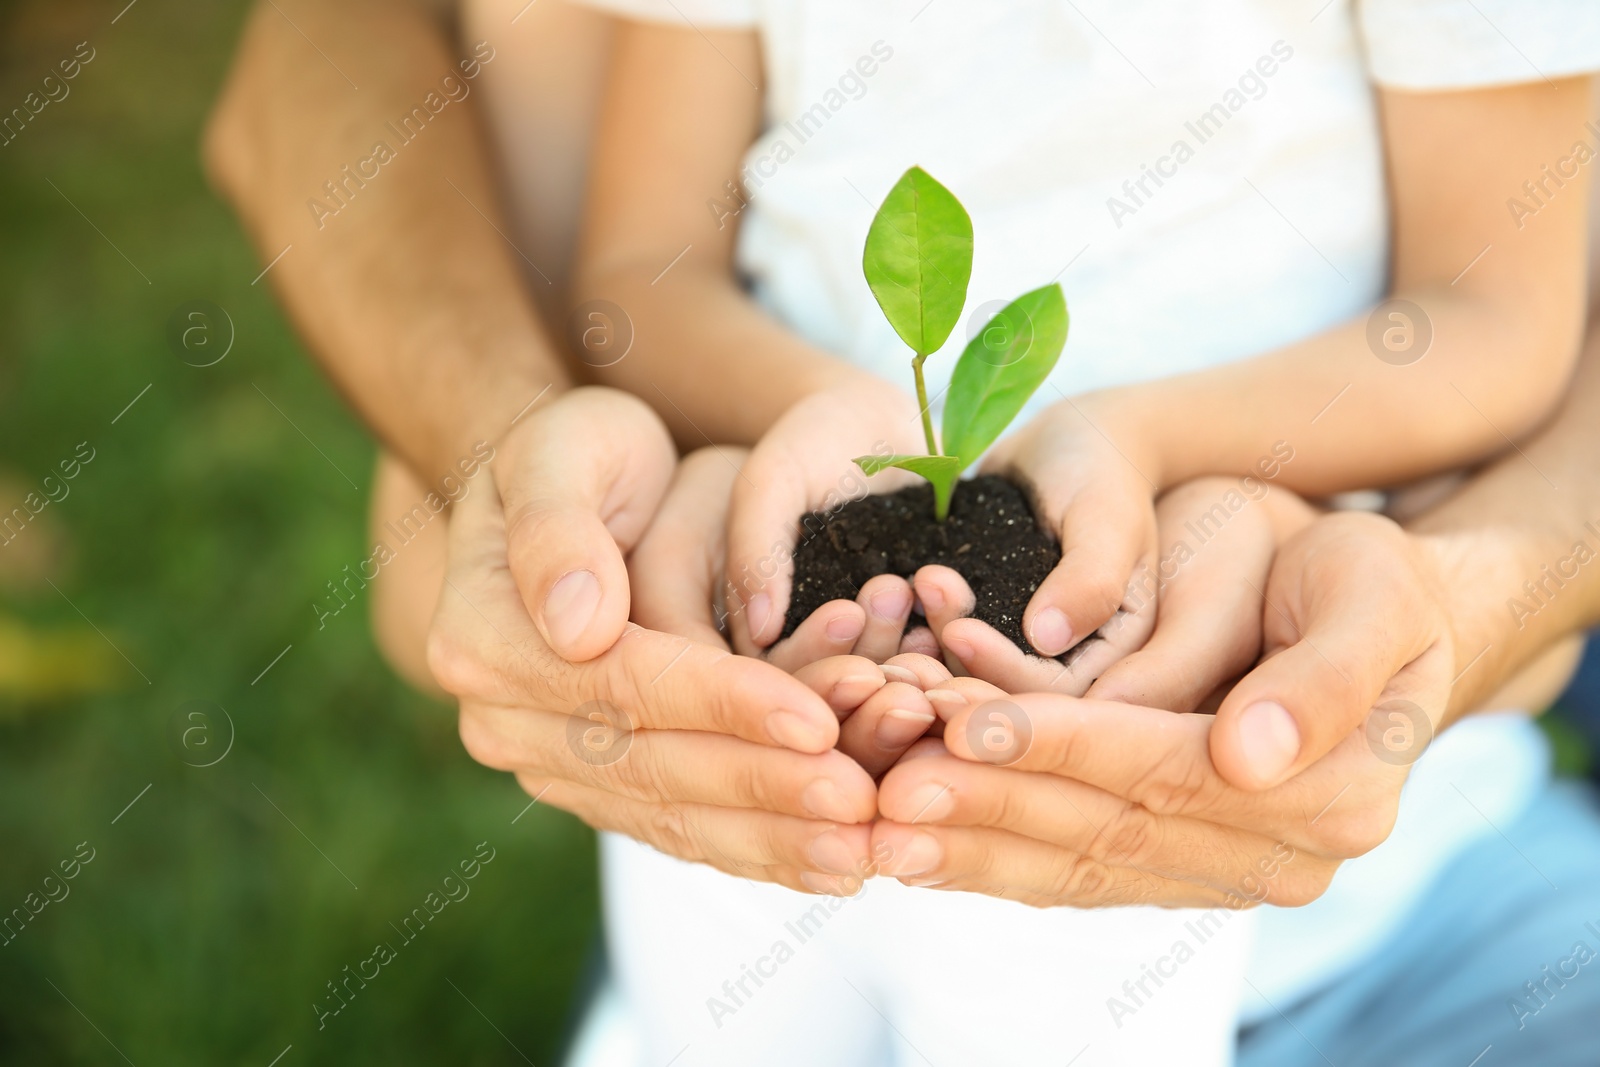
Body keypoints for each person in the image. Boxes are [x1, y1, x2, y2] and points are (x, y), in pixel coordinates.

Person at [204, 1, 1600, 1063]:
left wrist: (1142, 441)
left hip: (1354, 870)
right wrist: (830, 417)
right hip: (787, 831)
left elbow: (1492, 314)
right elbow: (641, 272)